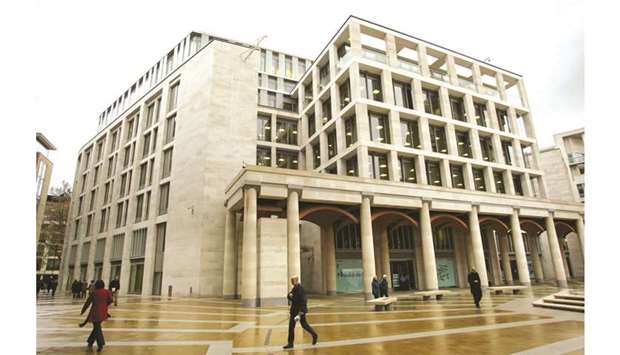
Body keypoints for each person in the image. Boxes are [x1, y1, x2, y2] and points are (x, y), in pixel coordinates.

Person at [283, 276, 318, 349]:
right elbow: (290, 296)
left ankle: (314, 335)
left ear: (296, 280)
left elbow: (303, 301)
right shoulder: (294, 288)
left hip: (299, 312)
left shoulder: (301, 289)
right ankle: (290, 343)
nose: (291, 282)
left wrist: (300, 313)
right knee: (291, 327)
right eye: (291, 280)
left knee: (304, 325)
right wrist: (289, 296)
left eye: (292, 280)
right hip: (293, 311)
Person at [80, 280, 112, 352]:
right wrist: (105, 305)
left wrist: (83, 310)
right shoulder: (107, 292)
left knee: (97, 328)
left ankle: (100, 344)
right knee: (97, 328)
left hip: (95, 312)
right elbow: (110, 300)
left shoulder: (94, 293)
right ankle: (90, 342)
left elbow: (87, 303)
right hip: (103, 312)